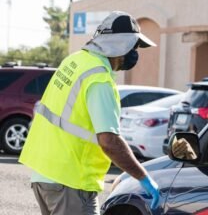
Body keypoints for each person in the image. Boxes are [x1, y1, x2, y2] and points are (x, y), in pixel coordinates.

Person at [19, 11, 159, 215]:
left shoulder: (74, 61)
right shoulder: (99, 79)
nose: (135, 52)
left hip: (44, 176)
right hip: (70, 182)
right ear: (121, 45)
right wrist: (143, 177)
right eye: (134, 46)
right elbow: (109, 142)